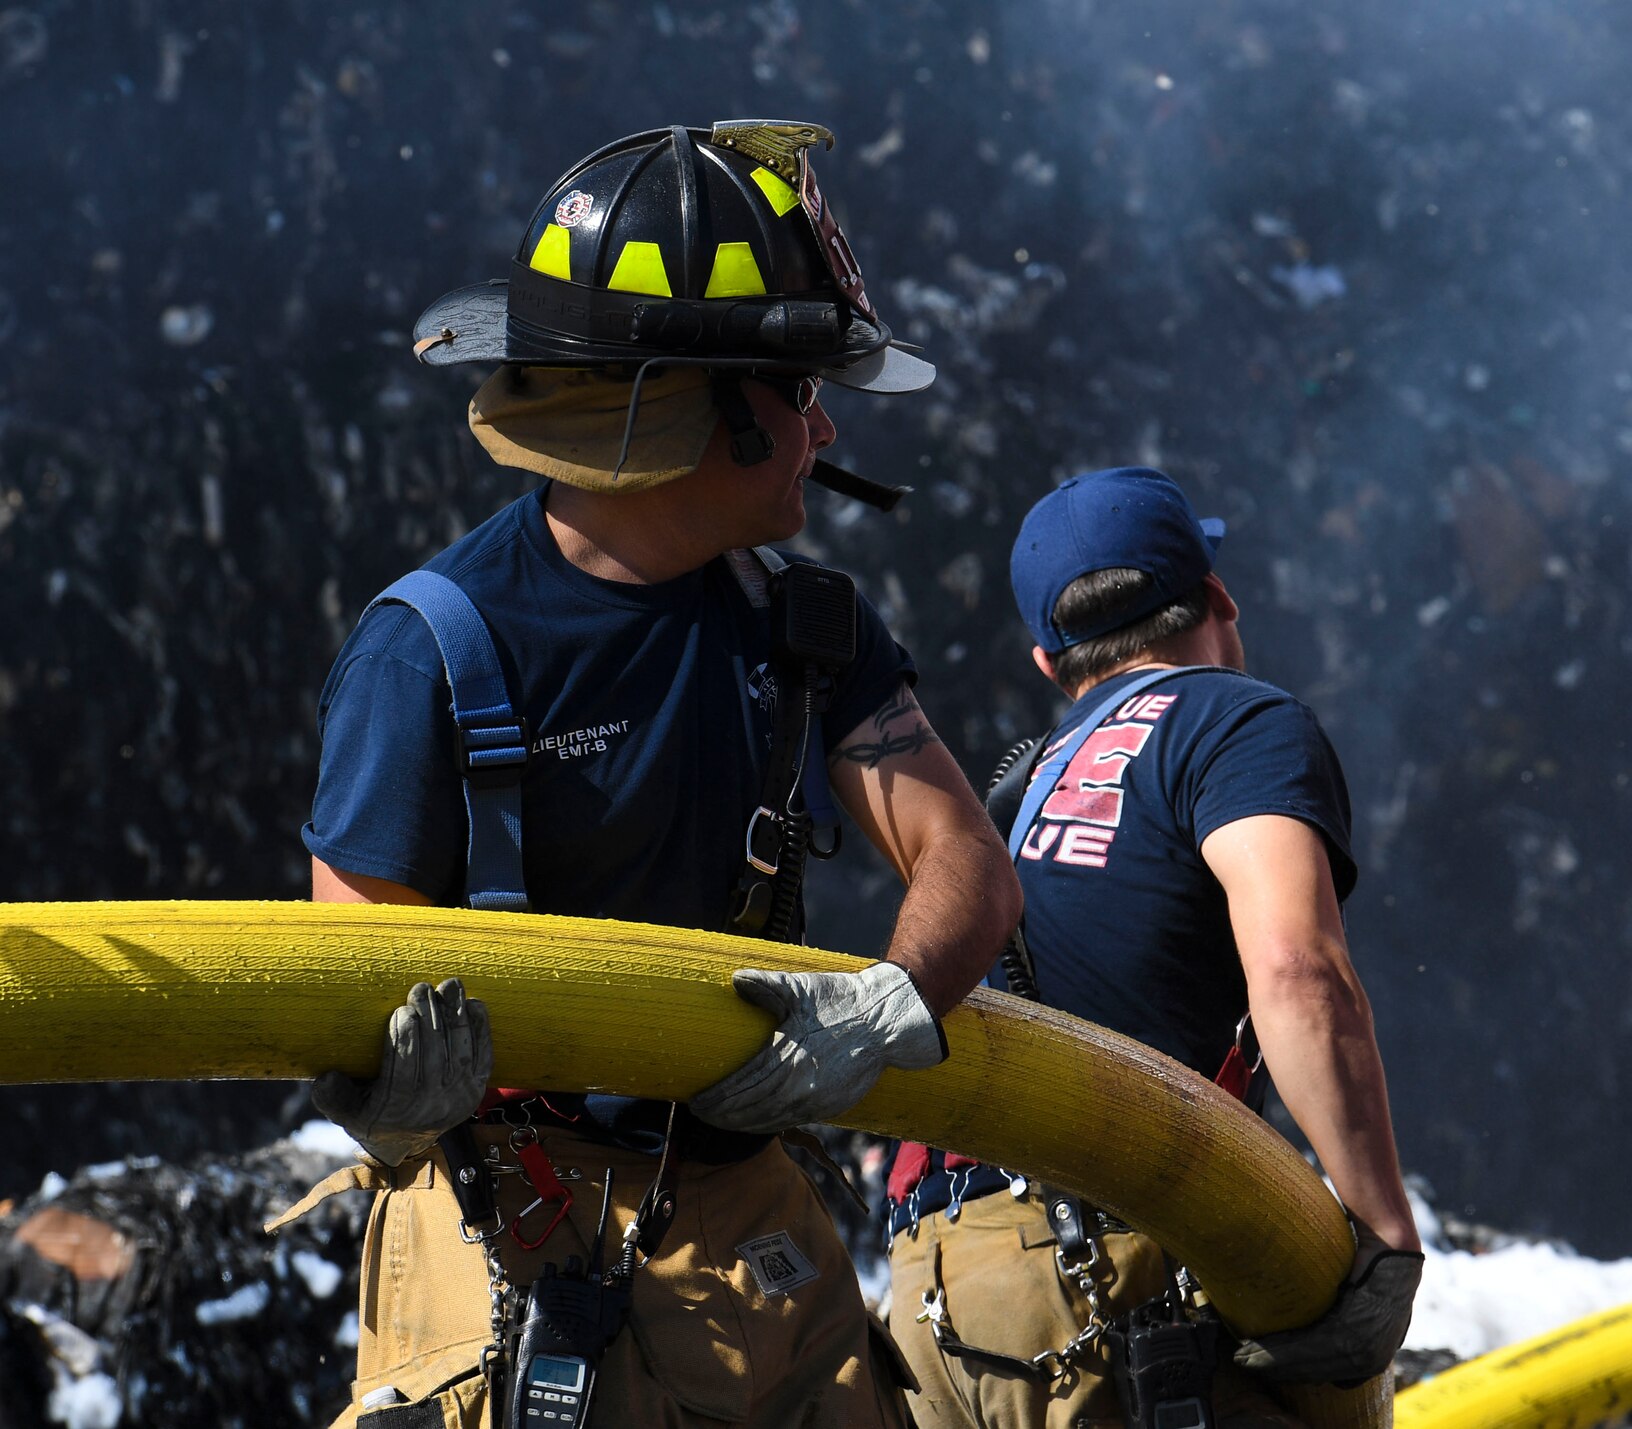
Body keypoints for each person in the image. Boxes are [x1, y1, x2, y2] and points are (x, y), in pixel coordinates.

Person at [289, 122, 1020, 1428]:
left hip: (759, 1229)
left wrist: (889, 1005)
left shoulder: (807, 626)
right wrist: (397, 1090)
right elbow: (356, 972)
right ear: (699, 398)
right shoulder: (433, 651)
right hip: (510, 1220)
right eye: (797, 390)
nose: (824, 423)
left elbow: (963, 855)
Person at [882, 467, 1422, 1428]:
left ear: (1050, 662)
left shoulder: (1018, 790)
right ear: (1218, 596)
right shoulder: (1238, 721)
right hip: (1109, 1273)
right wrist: (1384, 1231)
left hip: (936, 1290)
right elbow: (1298, 970)